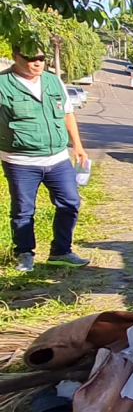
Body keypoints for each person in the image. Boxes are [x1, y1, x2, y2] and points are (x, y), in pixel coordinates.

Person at [0, 41, 90, 273]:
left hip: (57, 159)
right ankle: (24, 254)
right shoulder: (3, 84)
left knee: (70, 202)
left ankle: (61, 251)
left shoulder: (52, 81)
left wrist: (77, 146)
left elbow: (67, 114)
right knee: (23, 211)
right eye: (31, 59)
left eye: (41, 58)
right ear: (15, 56)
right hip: (20, 161)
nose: (37, 63)